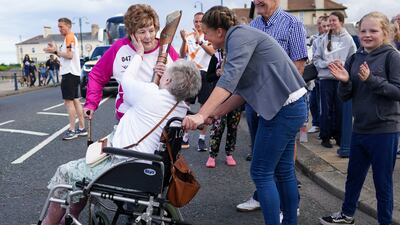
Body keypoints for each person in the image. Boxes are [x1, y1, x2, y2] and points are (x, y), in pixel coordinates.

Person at [41, 47, 202, 225]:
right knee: (81, 176)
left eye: (166, 75)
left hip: (124, 167)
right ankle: (70, 219)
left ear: (169, 79)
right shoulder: (181, 109)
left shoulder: (150, 93)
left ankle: (49, 222)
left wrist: (139, 55)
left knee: (65, 173)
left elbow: (126, 80)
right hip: (151, 172)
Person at [183, 6, 307, 225]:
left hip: (283, 109)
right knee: (284, 170)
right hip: (291, 105)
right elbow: (241, 91)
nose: (206, 38)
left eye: (207, 33)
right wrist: (215, 113)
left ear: (219, 31)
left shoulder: (239, 37)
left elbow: (229, 81)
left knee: (261, 172)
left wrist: (202, 115)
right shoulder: (239, 37)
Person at [320, 12, 400, 225]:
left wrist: (371, 80)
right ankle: (346, 215)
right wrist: (345, 82)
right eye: (363, 30)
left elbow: (398, 91)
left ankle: (385, 221)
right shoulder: (355, 57)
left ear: (385, 32)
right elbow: (345, 95)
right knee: (353, 177)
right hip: (360, 129)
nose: (367, 35)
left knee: (382, 183)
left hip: (384, 131)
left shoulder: (392, 56)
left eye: (373, 31)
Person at [237, 0, 308, 217]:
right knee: (267, 158)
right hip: (255, 102)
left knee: (270, 166)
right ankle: (265, 198)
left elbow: (298, 66)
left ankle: (285, 206)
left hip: (282, 103)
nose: (257, 1)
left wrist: (275, 97)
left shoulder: (292, 23)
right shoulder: (253, 25)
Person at [83, 4, 179, 121]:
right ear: (131, 32)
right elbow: (97, 76)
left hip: (159, 115)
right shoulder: (119, 48)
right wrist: (91, 103)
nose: (148, 37)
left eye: (151, 30)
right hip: (128, 116)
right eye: (142, 32)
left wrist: (169, 76)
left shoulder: (165, 48)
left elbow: (183, 80)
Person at [313, 11, 357, 148]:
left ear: (341, 22)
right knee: (326, 109)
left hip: (340, 80)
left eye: (334, 20)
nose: (331, 23)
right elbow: (316, 59)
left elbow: (353, 58)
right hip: (326, 79)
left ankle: (339, 137)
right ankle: (325, 137)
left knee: (340, 110)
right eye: (330, 21)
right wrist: (328, 64)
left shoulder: (348, 39)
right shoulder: (324, 39)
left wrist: (343, 65)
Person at [44, 17, 87, 140]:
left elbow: (69, 55)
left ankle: (72, 130)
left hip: (69, 74)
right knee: (76, 100)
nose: (59, 29)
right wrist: (55, 51)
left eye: (61, 26)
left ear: (68, 26)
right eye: (58, 26)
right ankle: (82, 128)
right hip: (73, 73)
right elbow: (66, 56)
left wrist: (55, 50)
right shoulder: (69, 38)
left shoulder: (69, 37)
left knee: (69, 102)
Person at [179, 12, 216, 152]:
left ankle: (201, 139)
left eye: (200, 21)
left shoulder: (209, 36)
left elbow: (213, 52)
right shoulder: (188, 36)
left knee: (204, 107)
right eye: (195, 21)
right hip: (191, 74)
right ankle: (185, 136)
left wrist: (199, 41)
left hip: (205, 73)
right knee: (185, 105)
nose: (198, 24)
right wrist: (183, 41)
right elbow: (182, 55)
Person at [204, 49, 242, 168]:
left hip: (235, 97)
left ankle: (229, 154)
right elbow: (208, 77)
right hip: (219, 97)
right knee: (217, 126)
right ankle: (212, 155)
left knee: (233, 126)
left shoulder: (238, 54)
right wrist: (217, 73)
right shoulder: (216, 56)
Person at [308, 15, 330, 134]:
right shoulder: (314, 39)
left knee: (323, 104)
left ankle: (324, 127)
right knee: (314, 102)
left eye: (326, 25)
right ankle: (317, 124)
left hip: (325, 75)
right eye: (321, 25)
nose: (324, 27)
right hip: (316, 75)